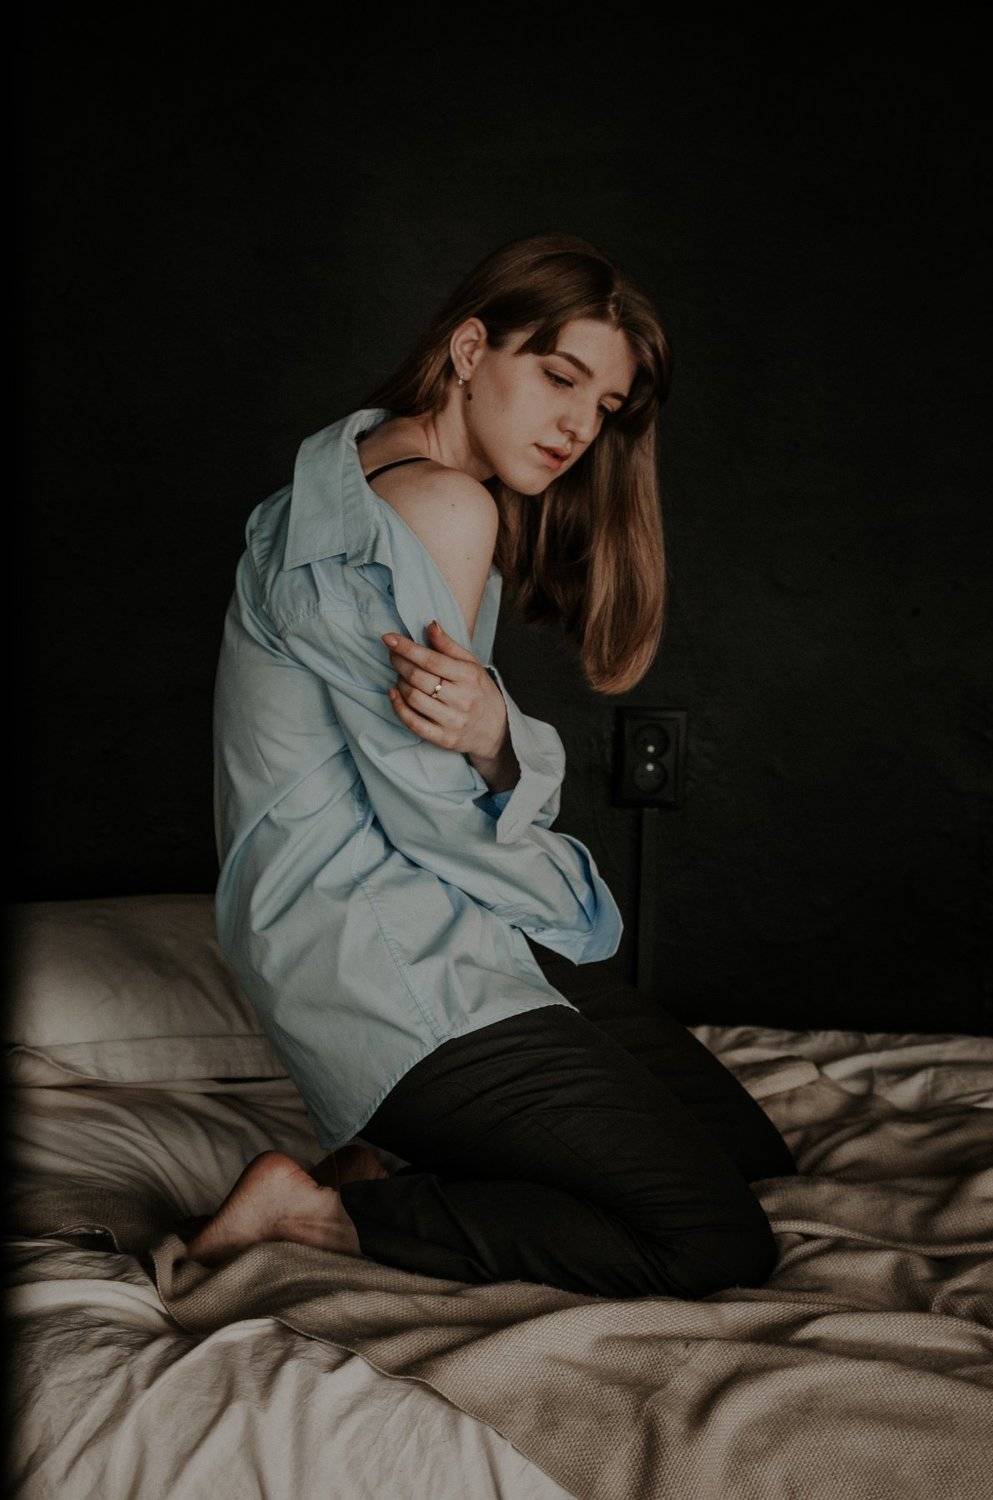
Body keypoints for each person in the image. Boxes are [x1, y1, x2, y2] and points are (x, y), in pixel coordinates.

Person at [185, 231, 797, 1299]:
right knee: (713, 1239)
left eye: (605, 406)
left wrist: (493, 735)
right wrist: (508, 761)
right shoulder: (440, 503)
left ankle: (396, 1159)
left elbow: (426, 773)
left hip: (414, 918)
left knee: (741, 1151)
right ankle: (321, 1215)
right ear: (471, 350)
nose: (578, 427)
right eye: (559, 377)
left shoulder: (355, 473)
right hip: (383, 956)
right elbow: (433, 812)